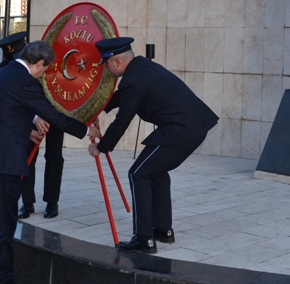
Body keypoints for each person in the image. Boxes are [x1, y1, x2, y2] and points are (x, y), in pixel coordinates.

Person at [0, 40, 88, 284]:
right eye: (45, 69)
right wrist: (86, 129)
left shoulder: (0, 74)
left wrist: (25, 132)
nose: (43, 74)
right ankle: (1, 281)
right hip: (2, 160)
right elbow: (53, 116)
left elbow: (3, 113)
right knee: (2, 222)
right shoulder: (26, 81)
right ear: (40, 63)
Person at [88, 37, 219, 254]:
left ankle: (144, 238)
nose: (106, 69)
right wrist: (100, 110)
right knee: (155, 172)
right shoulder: (141, 68)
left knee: (138, 174)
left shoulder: (133, 79)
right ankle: (162, 230)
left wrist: (101, 147)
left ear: (118, 62)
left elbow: (123, 120)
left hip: (181, 130)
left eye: (107, 64)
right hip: (193, 126)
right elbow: (124, 97)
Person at [0, 32, 66, 220]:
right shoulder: (8, 69)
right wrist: (35, 117)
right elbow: (17, 97)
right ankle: (27, 203)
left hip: (54, 115)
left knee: (54, 157)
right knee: (27, 159)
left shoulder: (45, 60)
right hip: (30, 119)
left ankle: (52, 202)